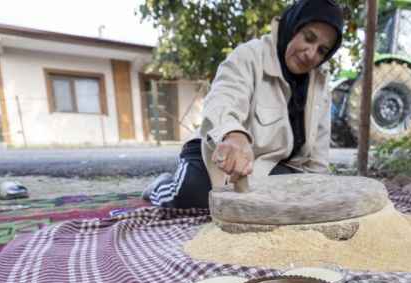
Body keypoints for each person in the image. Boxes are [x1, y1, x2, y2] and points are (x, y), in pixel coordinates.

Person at [143, 0, 345, 209]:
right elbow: (223, 98)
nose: (311, 54)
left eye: (322, 50)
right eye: (308, 38)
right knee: (194, 193)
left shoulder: (320, 84)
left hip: (268, 166)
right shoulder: (250, 55)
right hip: (219, 152)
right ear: (292, 26)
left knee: (293, 196)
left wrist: (319, 192)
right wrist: (234, 136)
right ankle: (162, 185)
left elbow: (317, 159)